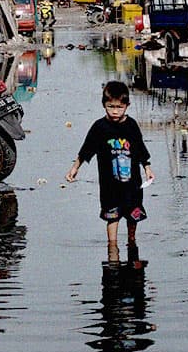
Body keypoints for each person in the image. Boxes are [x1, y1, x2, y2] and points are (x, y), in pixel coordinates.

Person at [66, 81, 155, 246]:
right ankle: (112, 249)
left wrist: (147, 168)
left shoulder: (131, 126)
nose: (115, 111)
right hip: (109, 186)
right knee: (112, 217)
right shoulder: (100, 127)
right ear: (104, 105)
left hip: (132, 184)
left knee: (132, 215)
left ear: (127, 106)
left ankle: (131, 241)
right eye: (111, 106)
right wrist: (75, 167)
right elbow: (87, 148)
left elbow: (140, 148)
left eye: (119, 107)